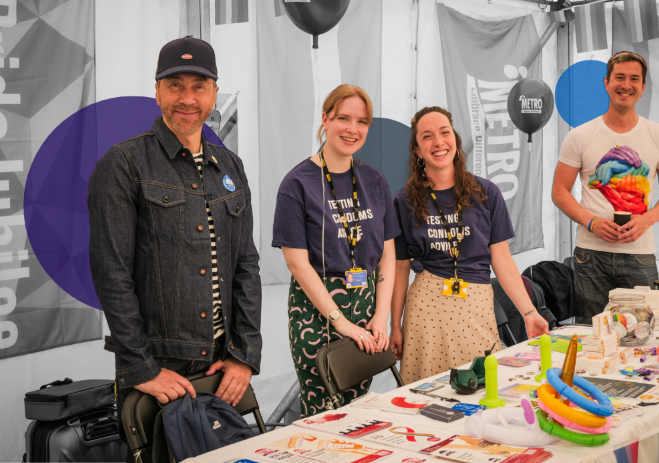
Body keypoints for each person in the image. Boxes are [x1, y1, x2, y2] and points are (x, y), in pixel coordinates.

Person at [88, 36, 262, 458]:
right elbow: (112, 274)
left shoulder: (231, 166)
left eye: (199, 86)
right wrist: (142, 368)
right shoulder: (124, 164)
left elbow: (246, 266)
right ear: (157, 91)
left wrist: (244, 355)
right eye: (175, 86)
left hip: (223, 367)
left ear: (214, 92)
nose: (187, 99)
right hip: (162, 368)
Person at [390, 107, 549, 384]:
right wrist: (395, 325)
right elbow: (401, 267)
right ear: (417, 150)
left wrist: (529, 312)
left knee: (481, 389)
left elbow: (502, 260)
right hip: (426, 310)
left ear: (455, 139)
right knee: (428, 398)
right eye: (427, 137)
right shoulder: (403, 200)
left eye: (445, 132)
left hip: (476, 304)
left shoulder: (486, 193)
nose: (438, 142)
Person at [272, 84, 400, 417]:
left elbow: (388, 253)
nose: (352, 129)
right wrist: (341, 322)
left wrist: (381, 316)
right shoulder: (297, 184)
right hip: (318, 314)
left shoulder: (375, 181)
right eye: (343, 118)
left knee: (357, 413)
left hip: (367, 309)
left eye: (361, 121)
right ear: (325, 119)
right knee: (324, 414)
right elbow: (298, 265)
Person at [552, 51, 659, 318]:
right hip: (591, 255)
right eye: (619, 77)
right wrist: (591, 222)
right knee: (594, 337)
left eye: (634, 79)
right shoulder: (579, 136)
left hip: (640, 255)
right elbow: (559, 191)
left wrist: (646, 220)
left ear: (643, 88)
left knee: (643, 336)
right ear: (606, 82)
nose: (626, 85)